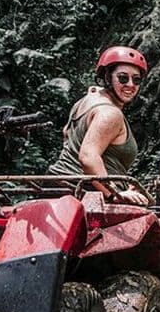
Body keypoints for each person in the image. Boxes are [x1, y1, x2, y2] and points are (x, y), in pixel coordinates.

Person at [48, 45, 149, 205]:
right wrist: (115, 193)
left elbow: (67, 134)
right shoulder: (110, 113)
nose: (130, 84)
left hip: (57, 185)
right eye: (123, 78)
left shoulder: (84, 102)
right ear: (107, 77)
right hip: (85, 193)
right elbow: (88, 157)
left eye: (136, 80)